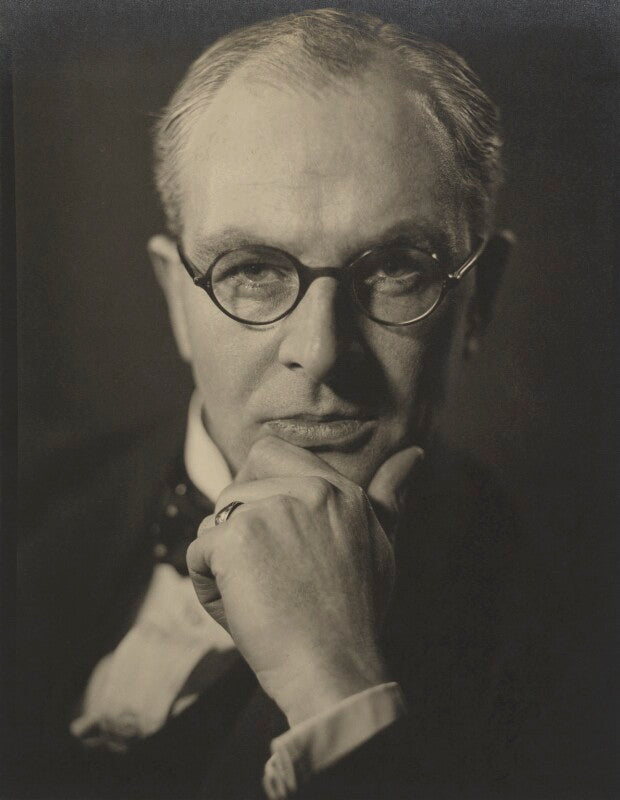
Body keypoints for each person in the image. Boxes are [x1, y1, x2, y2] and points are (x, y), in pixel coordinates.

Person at [18, 9, 533, 799]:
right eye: (253, 270)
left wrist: (338, 687)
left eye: (396, 268)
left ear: (480, 301)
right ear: (176, 298)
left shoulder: (567, 623)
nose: (320, 349)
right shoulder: (32, 507)